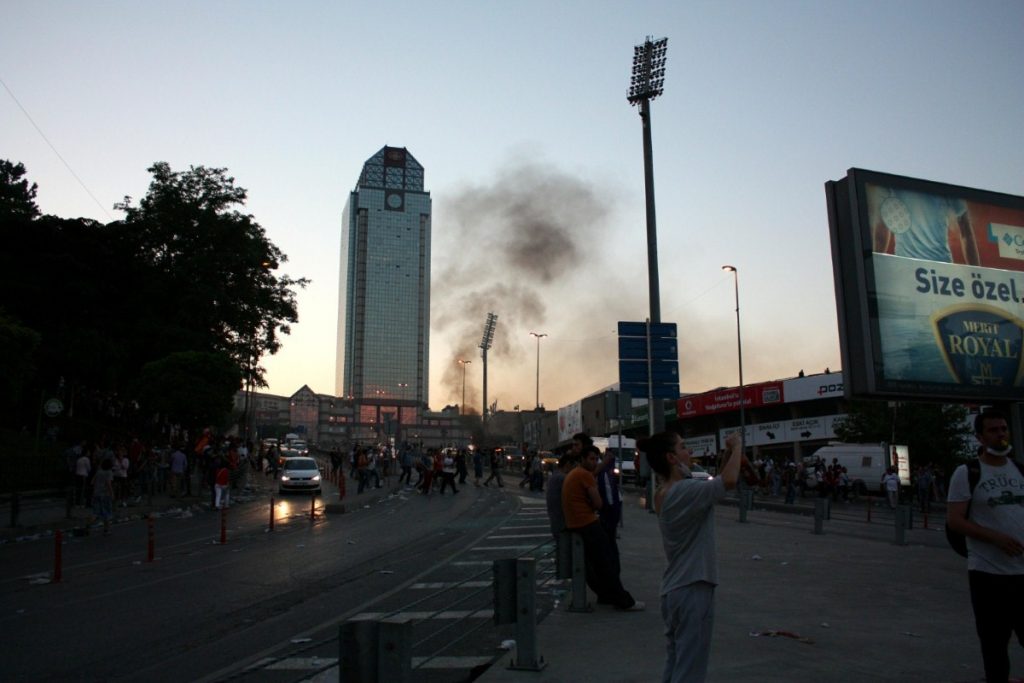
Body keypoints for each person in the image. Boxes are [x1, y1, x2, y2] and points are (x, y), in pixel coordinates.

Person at [642, 429, 744, 683]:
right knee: (690, 670)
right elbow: (729, 481)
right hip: (693, 588)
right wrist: (739, 446)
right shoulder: (685, 491)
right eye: (683, 447)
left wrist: (728, 454)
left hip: (675, 590)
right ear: (671, 458)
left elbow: (715, 483)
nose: (690, 453)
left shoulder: (663, 493)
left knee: (677, 661)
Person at [947, 409, 1024, 683]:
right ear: (980, 437)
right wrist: (995, 538)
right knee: (995, 647)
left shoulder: (1019, 470)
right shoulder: (967, 473)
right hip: (989, 575)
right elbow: (955, 520)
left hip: (1022, 572)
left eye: (1003, 429)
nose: (1001, 434)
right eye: (993, 430)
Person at [562, 444, 642, 611]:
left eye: (595, 459)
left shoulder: (575, 474)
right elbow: (598, 503)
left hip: (574, 524)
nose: (593, 462)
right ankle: (623, 601)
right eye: (591, 459)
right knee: (607, 562)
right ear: (582, 459)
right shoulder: (585, 475)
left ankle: (605, 595)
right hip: (587, 523)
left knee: (592, 565)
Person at [90, 457, 116, 536]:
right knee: (107, 512)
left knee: (96, 513)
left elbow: (92, 482)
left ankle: (87, 525)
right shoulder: (109, 472)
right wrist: (112, 494)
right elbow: (108, 483)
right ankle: (106, 529)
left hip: (96, 494)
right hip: (105, 495)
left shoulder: (99, 472)